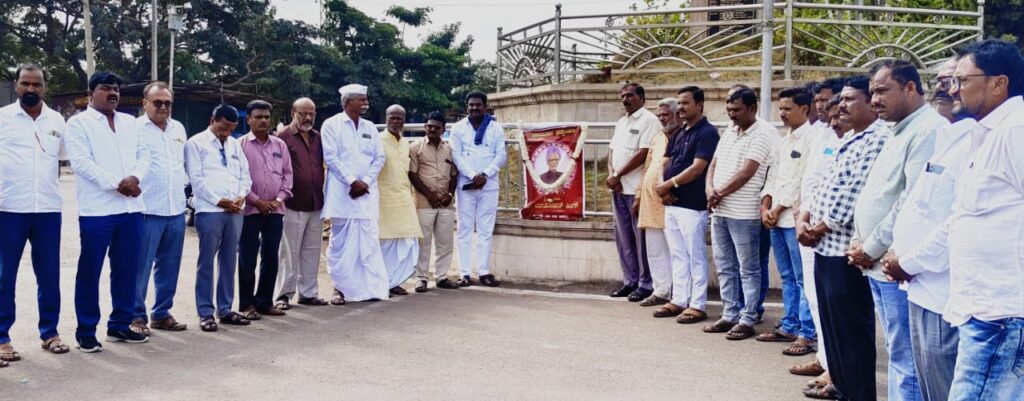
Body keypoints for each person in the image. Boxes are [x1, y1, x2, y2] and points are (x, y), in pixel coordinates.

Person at [925, 40, 1024, 401]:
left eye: (963, 80)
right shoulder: (985, 133)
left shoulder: (1015, 131)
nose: (954, 89)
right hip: (983, 310)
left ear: (999, 83)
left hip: (1002, 314)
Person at [880, 56, 979, 401]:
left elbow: (958, 220)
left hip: (941, 288)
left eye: (955, 79)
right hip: (917, 284)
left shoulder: (980, 139)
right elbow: (917, 204)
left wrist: (908, 260)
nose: (945, 86)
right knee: (923, 379)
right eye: (940, 79)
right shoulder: (948, 134)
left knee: (942, 385)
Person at [847, 60, 946, 401]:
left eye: (881, 90)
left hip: (894, 262)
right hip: (875, 260)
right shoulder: (897, 129)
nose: (874, 99)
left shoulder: (926, 131)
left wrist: (871, 246)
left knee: (905, 356)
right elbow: (878, 193)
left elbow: (910, 200)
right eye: (872, 91)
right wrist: (861, 242)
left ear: (910, 88)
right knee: (896, 348)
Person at [798, 76, 891, 401]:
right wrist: (804, 219)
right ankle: (841, 385)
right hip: (824, 246)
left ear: (869, 104)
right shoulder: (852, 137)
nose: (842, 106)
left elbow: (855, 193)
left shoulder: (877, 139)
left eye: (851, 99)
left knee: (851, 329)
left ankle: (858, 394)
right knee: (834, 325)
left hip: (844, 250)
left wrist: (818, 227)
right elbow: (824, 185)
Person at [65, 71, 150, 351]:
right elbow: (81, 163)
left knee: (126, 270)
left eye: (116, 89)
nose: (112, 93)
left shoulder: (131, 123)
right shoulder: (79, 124)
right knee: (90, 271)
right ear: (91, 93)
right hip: (97, 211)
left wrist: (135, 178)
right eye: (105, 88)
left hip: (131, 209)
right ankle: (86, 330)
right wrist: (118, 184)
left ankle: (120, 325)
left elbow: (145, 155)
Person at [0, 64, 70, 363]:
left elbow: (69, 159)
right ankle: (1, 338)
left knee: (49, 275)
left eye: (37, 84)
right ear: (17, 85)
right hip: (9, 208)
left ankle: (50, 332)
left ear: (44, 87)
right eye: (25, 83)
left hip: (47, 209)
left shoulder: (57, 121)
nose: (31, 89)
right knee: (4, 276)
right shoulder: (2, 119)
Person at [700, 88, 778, 341]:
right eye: (729, 109)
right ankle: (730, 313)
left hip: (745, 213)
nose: (732, 115)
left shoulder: (763, 133)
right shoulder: (730, 131)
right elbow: (713, 164)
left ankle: (748, 317)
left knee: (749, 268)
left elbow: (748, 171)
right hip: (720, 210)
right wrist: (710, 189)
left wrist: (718, 192)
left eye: (737, 110)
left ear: (752, 108)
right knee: (725, 266)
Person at [790, 94, 848, 391]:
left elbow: (844, 192)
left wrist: (818, 224)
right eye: (819, 102)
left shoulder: (847, 137)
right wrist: (803, 217)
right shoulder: (822, 133)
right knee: (816, 300)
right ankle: (825, 359)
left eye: (828, 101)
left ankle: (834, 369)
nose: (822, 107)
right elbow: (812, 182)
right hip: (808, 225)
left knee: (835, 308)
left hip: (832, 235)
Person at [755, 87, 817, 358]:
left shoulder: (812, 138)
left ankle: (806, 331)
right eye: (780, 108)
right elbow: (773, 176)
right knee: (788, 276)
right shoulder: (784, 140)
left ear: (805, 108)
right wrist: (765, 205)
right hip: (775, 219)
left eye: (788, 108)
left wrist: (778, 207)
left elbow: (801, 182)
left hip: (793, 218)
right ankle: (789, 324)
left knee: (804, 278)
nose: (782, 113)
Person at [652, 86, 718, 324]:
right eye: (678, 103)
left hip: (693, 204)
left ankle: (697, 304)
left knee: (695, 255)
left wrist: (669, 184)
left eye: (685, 103)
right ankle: (679, 299)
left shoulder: (707, 133)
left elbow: (698, 168)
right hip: (672, 203)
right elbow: (664, 161)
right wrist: (663, 186)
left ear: (699, 105)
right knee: (678, 254)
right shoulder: (679, 132)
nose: (680, 108)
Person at [185, 104, 253, 332]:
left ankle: (225, 309)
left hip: (235, 210)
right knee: (206, 262)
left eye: (231, 129)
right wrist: (218, 200)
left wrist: (242, 195)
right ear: (212, 120)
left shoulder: (235, 144)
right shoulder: (196, 143)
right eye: (223, 128)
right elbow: (196, 179)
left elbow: (245, 174)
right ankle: (205, 312)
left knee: (229, 261)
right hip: (210, 210)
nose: (226, 133)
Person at [321, 83, 389, 303]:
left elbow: (379, 157)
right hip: (343, 194)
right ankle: (340, 288)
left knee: (368, 243)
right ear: (348, 102)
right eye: (361, 99)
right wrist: (352, 182)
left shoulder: (370, 127)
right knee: (341, 244)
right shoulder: (331, 125)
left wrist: (365, 183)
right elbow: (331, 157)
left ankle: (369, 289)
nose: (365, 103)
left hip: (366, 195)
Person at [132, 81, 188, 335]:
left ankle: (161, 313)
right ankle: (136, 316)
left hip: (175, 209)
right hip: (146, 210)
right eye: (157, 102)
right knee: (140, 267)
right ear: (145, 103)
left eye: (168, 102)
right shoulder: (134, 129)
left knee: (169, 265)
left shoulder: (178, 129)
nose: (163, 107)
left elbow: (180, 165)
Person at [238, 100, 292, 320]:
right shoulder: (240, 145)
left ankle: (265, 301)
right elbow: (238, 177)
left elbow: (288, 175)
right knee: (248, 258)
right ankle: (246, 304)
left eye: (267, 117)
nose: (263, 121)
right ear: (248, 119)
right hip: (250, 211)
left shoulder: (280, 145)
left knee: (271, 256)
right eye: (258, 117)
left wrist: (278, 199)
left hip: (275, 211)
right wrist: (256, 200)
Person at [607, 83, 660, 301]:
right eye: (623, 96)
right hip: (618, 188)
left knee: (641, 239)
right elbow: (611, 152)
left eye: (629, 95)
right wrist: (613, 176)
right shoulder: (622, 122)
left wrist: (617, 175)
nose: (625, 99)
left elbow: (644, 153)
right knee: (624, 238)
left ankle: (645, 283)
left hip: (636, 190)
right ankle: (629, 281)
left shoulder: (649, 121)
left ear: (642, 98)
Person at [274, 98, 328, 309]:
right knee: (289, 252)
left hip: (316, 202)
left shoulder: (318, 138)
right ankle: (283, 295)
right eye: (303, 113)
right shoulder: (282, 137)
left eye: (311, 114)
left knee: (312, 250)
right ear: (292, 113)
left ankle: (308, 293)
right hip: (292, 203)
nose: (307, 118)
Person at [451, 91, 507, 287]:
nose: (474, 108)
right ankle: (465, 273)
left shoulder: (496, 128)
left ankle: (483, 271)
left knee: (485, 229)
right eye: (471, 105)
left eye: (478, 105)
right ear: (467, 107)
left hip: (488, 185)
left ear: (485, 107)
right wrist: (473, 175)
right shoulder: (458, 128)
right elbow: (456, 156)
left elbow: (501, 155)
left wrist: (485, 175)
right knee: (464, 229)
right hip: (466, 184)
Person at [633, 97, 679, 307]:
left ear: (677, 114)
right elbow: (647, 167)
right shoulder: (658, 136)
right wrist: (638, 195)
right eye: (659, 115)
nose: (662, 119)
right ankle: (661, 290)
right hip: (650, 202)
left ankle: (678, 294)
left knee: (676, 251)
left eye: (665, 114)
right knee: (655, 249)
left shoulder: (682, 135)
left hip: (672, 201)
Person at [409, 112, 459, 293]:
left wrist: (450, 194)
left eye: (437, 127)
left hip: (445, 202)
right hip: (424, 202)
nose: (432, 129)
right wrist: (430, 195)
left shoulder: (450, 149)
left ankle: (442, 277)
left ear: (443, 130)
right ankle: (421, 278)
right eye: (429, 126)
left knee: (445, 242)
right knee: (424, 242)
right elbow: (412, 174)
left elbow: (454, 175)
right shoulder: (415, 147)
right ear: (425, 127)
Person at [377, 105, 422, 296]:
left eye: (399, 118)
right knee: (384, 243)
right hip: (383, 199)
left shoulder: (406, 143)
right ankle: (381, 282)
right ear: (386, 119)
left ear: (404, 120)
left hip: (403, 198)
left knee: (406, 240)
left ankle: (395, 281)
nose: (396, 121)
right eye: (392, 118)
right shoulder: (377, 141)